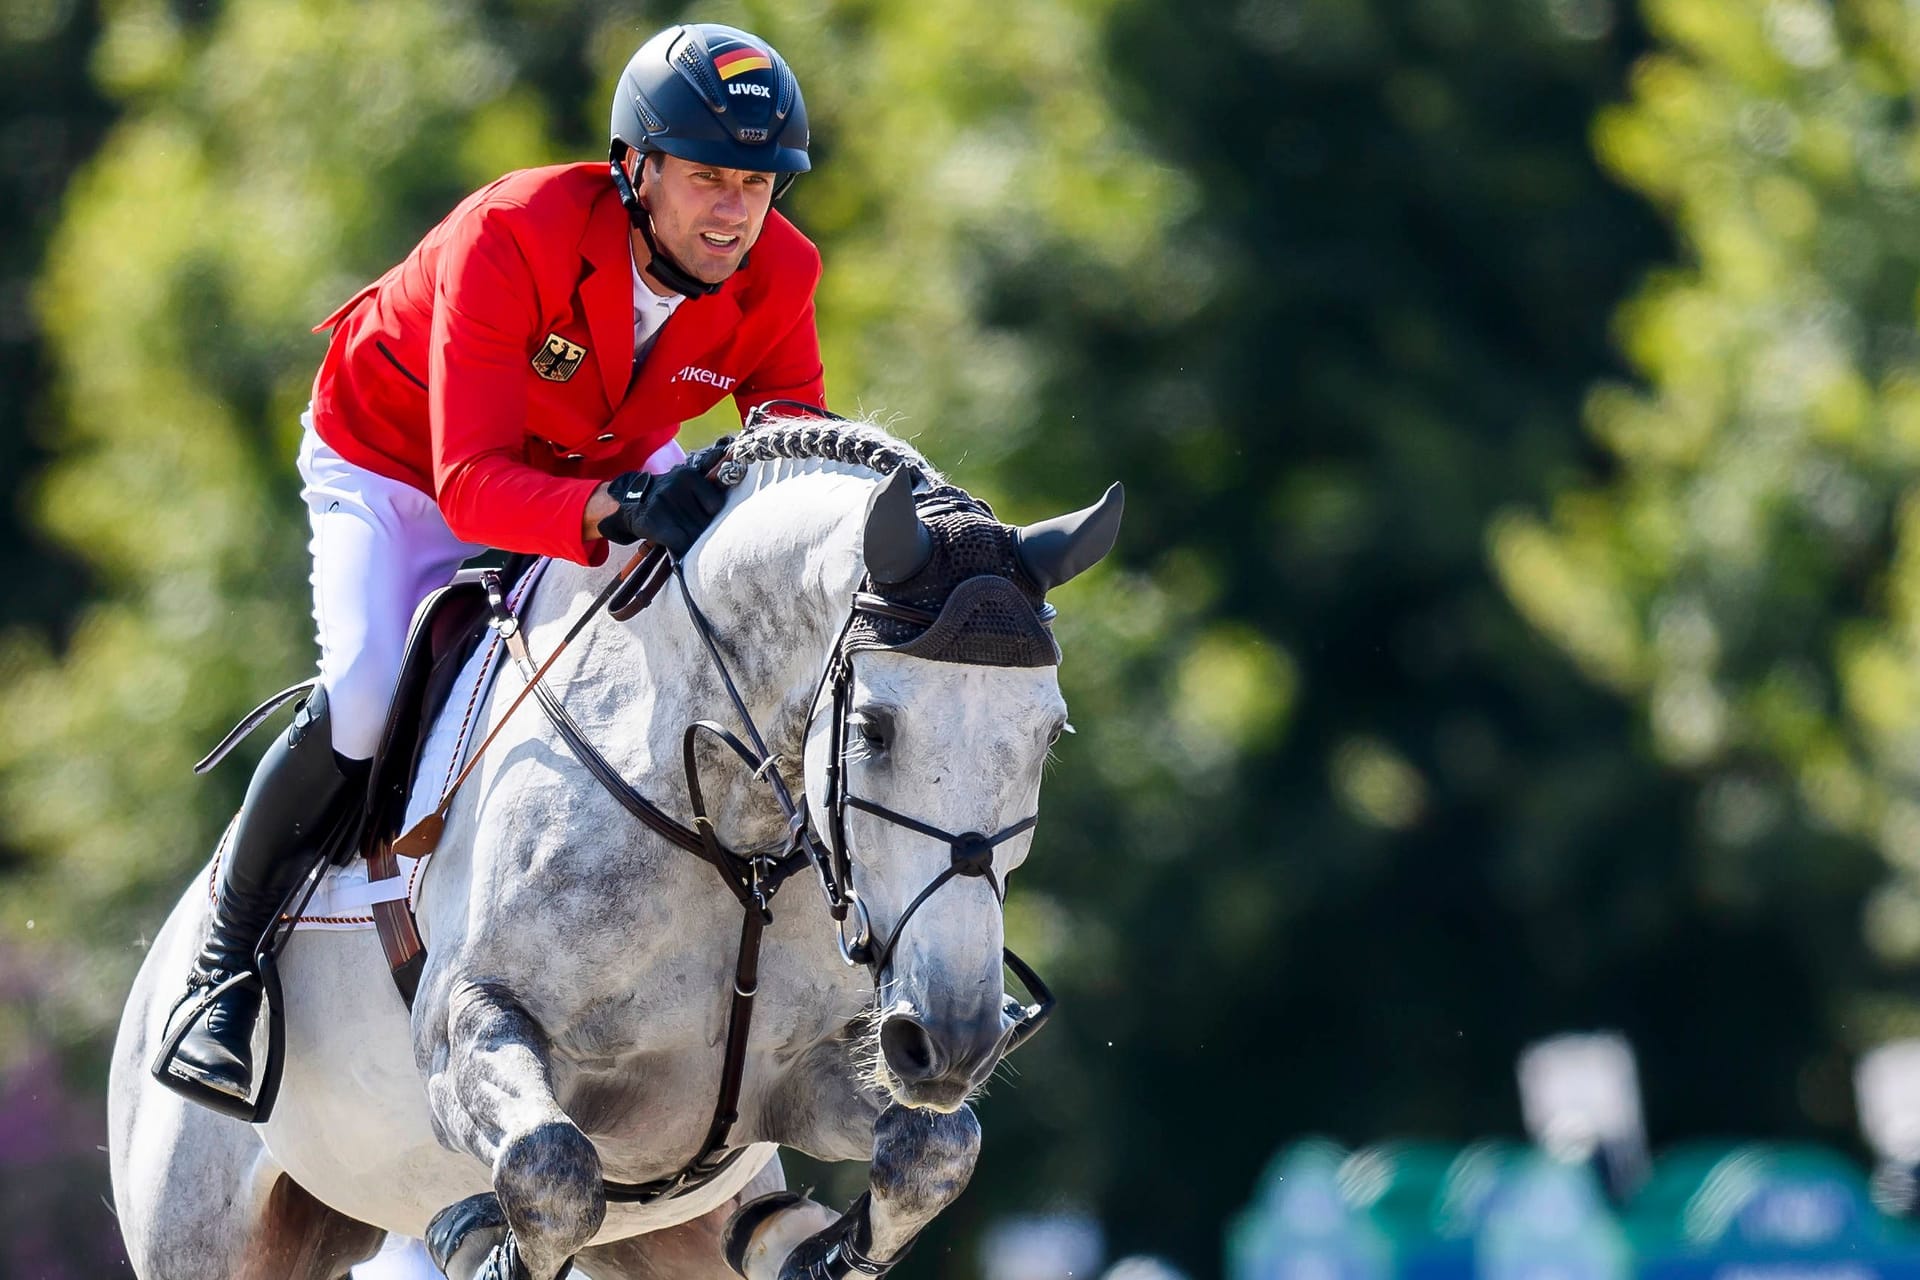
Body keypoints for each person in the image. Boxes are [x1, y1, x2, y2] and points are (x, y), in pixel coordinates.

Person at [156, 21, 824, 1103]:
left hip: (601, 456)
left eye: (759, 183)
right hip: (397, 466)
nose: (736, 212)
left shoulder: (781, 273)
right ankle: (222, 969)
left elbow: (794, 455)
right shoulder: (517, 229)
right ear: (637, 167)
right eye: (708, 177)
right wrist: (625, 503)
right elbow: (470, 483)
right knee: (370, 691)